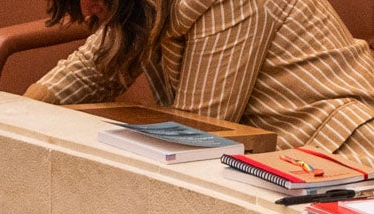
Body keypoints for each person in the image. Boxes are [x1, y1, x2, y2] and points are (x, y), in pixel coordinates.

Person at [25, 0, 374, 163]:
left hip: (340, 155)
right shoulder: (138, 7)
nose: (85, 10)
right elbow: (92, 66)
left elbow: (196, 134)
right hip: (275, 160)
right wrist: (18, 114)